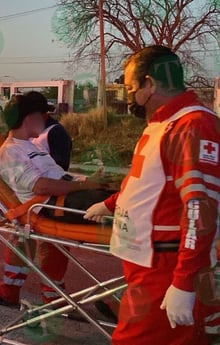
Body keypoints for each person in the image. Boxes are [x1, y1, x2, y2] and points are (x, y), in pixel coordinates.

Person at [84, 45, 220, 345]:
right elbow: (147, 182)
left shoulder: (192, 126)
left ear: (149, 84)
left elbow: (200, 209)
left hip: (166, 265)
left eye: (132, 87)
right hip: (150, 261)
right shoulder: (162, 124)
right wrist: (110, 205)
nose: (129, 95)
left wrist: (183, 283)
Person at [0, 92, 112, 308]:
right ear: (29, 118)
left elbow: (58, 175)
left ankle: (48, 297)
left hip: (66, 198)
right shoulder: (10, 152)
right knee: (129, 211)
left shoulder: (32, 147)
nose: (46, 119)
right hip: (52, 205)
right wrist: (86, 186)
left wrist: (92, 180)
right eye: (42, 114)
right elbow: (41, 185)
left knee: (126, 197)